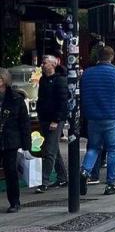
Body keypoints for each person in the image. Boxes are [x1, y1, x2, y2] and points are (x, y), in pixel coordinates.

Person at [79, 46, 115, 196]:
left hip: (93, 118)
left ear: (98, 57)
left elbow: (81, 95)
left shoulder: (86, 74)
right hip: (112, 116)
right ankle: (111, 184)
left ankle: (84, 171)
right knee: (113, 150)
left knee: (93, 147)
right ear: (111, 57)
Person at [34, 55, 69, 192]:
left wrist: (56, 120)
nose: (42, 65)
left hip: (54, 120)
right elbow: (41, 99)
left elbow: (62, 102)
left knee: (49, 150)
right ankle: (62, 177)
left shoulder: (60, 80)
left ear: (53, 65)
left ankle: (44, 181)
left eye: (45, 63)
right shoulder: (43, 80)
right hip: (44, 118)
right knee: (54, 149)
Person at [0, 67, 32, 212]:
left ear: (3, 81)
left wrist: (26, 145)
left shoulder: (15, 98)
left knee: (11, 171)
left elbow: (24, 123)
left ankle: (15, 202)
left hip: (9, 140)